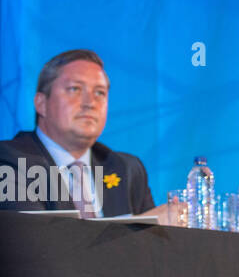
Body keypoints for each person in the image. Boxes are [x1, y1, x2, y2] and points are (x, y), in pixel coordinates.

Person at [0, 49, 170, 220]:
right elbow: (37, 241)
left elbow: (153, 247)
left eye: (99, 93)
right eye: (75, 89)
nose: (90, 103)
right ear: (41, 103)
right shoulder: (9, 161)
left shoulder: (127, 168)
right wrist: (144, 231)